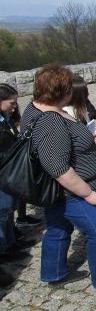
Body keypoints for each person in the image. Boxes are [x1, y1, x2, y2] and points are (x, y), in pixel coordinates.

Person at [20, 65, 96, 301]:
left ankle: (54, 273)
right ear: (62, 92)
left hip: (55, 193)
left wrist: (83, 137)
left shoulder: (34, 108)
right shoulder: (50, 122)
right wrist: (88, 194)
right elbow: (58, 167)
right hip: (73, 193)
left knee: (58, 229)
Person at [0, 84, 38, 287]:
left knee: (7, 212)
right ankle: (4, 249)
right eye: (11, 103)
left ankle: (11, 241)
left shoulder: (6, 119)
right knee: (2, 212)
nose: (15, 107)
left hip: (8, 172)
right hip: (3, 173)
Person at [64, 75, 96, 193]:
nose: (88, 95)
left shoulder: (81, 107)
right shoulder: (66, 112)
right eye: (85, 92)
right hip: (80, 159)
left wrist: (93, 133)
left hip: (91, 151)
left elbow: (87, 123)